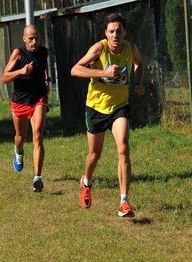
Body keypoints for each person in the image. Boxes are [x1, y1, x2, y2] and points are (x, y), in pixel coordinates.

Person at [70, 13, 145, 217]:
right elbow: (75, 70)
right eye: (111, 31)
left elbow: (140, 63)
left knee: (123, 148)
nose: (115, 35)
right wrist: (103, 73)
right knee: (94, 155)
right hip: (96, 107)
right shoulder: (99, 49)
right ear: (105, 33)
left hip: (120, 107)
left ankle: (124, 202)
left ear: (124, 32)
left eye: (119, 31)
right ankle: (86, 181)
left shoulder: (131, 49)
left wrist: (138, 83)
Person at [1, 25, 50, 192]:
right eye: (31, 38)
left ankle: (37, 177)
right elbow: (4, 77)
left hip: (38, 99)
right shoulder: (18, 53)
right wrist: (21, 71)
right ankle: (18, 150)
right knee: (21, 137)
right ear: (24, 39)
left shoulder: (44, 52)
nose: (34, 41)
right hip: (20, 101)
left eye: (36, 38)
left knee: (38, 135)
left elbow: (44, 67)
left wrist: (47, 80)